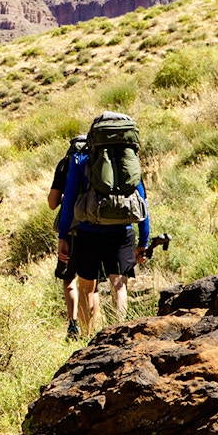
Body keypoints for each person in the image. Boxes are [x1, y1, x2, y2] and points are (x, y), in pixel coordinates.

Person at [62, 113, 150, 332]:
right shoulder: (129, 161)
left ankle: (87, 337)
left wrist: (63, 236)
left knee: (86, 288)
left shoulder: (81, 160)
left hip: (89, 232)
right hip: (122, 231)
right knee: (119, 286)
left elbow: (70, 199)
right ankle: (120, 333)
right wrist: (144, 239)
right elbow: (141, 200)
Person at [49, 135, 95, 340]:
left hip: (69, 228)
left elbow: (52, 202)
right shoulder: (97, 159)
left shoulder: (65, 163)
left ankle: (73, 324)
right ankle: (92, 331)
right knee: (91, 282)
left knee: (69, 279)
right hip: (94, 224)